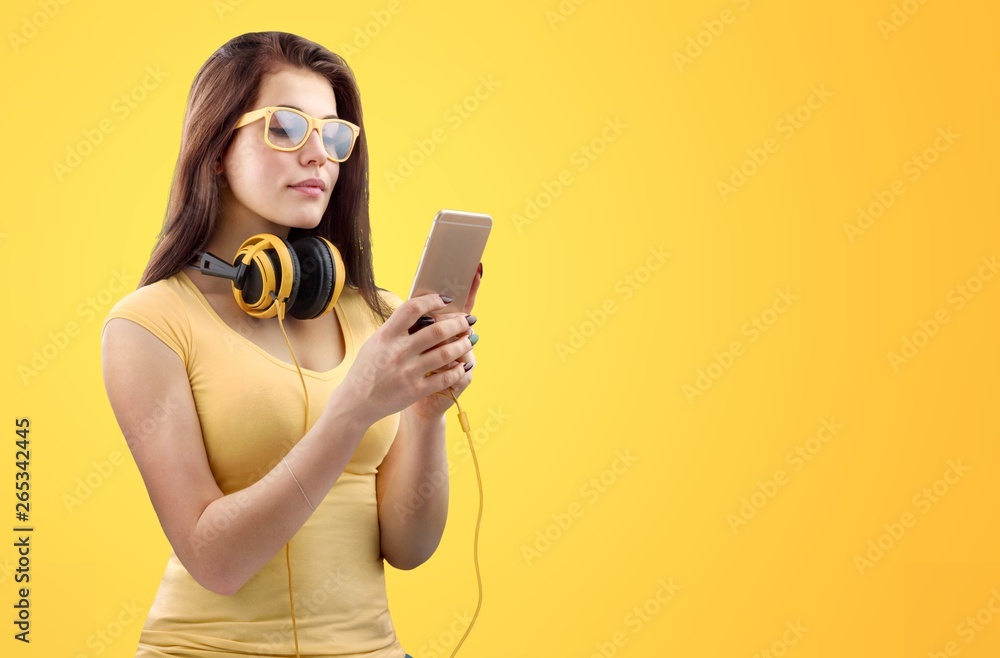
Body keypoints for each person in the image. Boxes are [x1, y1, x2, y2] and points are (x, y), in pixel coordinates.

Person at [101, 31, 481, 658]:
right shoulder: (149, 326)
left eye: (333, 135)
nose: (319, 156)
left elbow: (408, 549)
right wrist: (357, 404)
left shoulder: (375, 315)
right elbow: (215, 561)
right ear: (218, 146)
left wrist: (425, 410)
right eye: (285, 127)